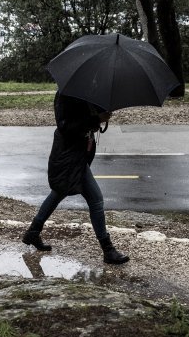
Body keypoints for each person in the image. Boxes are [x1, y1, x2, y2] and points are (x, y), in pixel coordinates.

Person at [22, 92, 129, 264]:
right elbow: (65, 126)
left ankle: (33, 232)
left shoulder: (86, 93)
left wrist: (102, 113)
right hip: (69, 156)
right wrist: (95, 120)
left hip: (77, 156)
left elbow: (86, 119)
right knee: (95, 199)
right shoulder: (65, 95)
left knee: (58, 193)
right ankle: (108, 250)